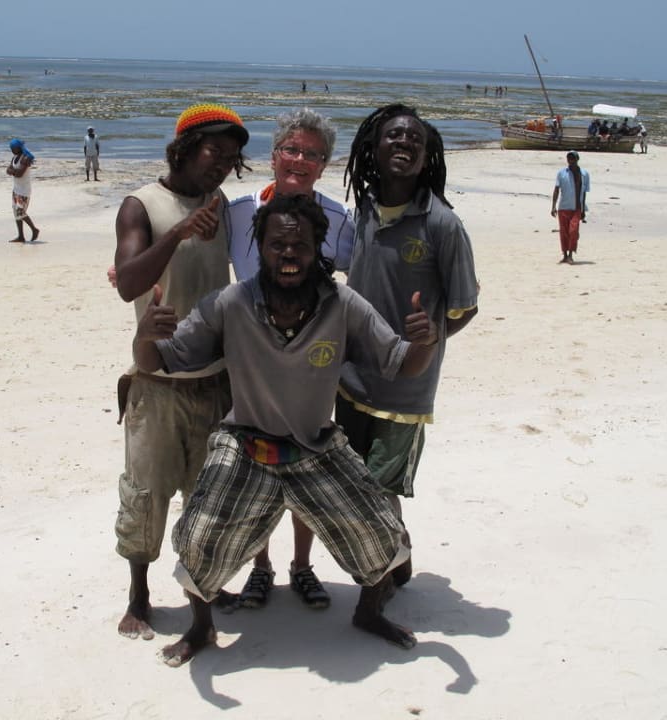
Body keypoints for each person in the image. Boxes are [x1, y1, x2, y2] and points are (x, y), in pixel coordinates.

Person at [133, 194, 440, 666]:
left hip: (316, 446)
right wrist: (143, 338)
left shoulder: (343, 304)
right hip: (245, 443)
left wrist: (426, 342)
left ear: (319, 246)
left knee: (383, 531)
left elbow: (403, 364)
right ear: (260, 246)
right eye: (277, 244)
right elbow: (158, 363)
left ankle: (368, 612)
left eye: (301, 244)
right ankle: (201, 627)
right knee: (196, 537)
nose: (290, 254)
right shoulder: (230, 303)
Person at [112, 103, 250, 642]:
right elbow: (127, 282)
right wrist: (180, 234)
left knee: (207, 495)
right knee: (146, 494)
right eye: (215, 151)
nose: (221, 165)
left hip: (215, 379)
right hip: (157, 384)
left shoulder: (223, 206)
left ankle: (202, 585)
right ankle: (139, 596)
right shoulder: (140, 205)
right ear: (185, 147)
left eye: (232, 158)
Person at [336, 104, 479, 589]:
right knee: (352, 484)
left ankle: (382, 580)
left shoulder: (443, 225)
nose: (404, 144)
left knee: (378, 489)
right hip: (349, 377)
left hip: (406, 390)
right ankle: (394, 558)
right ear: (373, 149)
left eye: (414, 140)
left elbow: (465, 308)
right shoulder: (363, 211)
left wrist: (422, 347)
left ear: (427, 155)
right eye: (394, 137)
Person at [223, 108, 354, 611]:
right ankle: (260, 567)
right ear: (275, 155)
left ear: (324, 165)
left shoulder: (339, 221)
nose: (300, 160)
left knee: (308, 465)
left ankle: (302, 566)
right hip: (249, 362)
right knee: (254, 469)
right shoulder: (237, 212)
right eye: (292, 150)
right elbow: (202, 259)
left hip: (313, 367)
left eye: (313, 154)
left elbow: (358, 278)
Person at [550, 150, 590, 264]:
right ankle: (565, 255)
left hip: (577, 208)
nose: (571, 161)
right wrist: (553, 206)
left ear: (577, 159)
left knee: (573, 231)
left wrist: (583, 209)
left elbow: (584, 193)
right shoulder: (562, 173)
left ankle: (571, 254)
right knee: (564, 232)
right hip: (563, 207)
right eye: (569, 158)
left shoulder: (584, 174)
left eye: (573, 158)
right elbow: (556, 189)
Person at [6, 138, 39, 242]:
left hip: (24, 190)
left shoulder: (26, 158)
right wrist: (13, 171)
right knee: (16, 213)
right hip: (16, 189)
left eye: (13, 148)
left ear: (18, 147)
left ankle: (34, 230)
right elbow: (8, 170)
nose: (11, 150)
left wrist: (13, 171)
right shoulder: (14, 158)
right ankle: (21, 236)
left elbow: (20, 174)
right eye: (10, 148)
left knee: (20, 212)